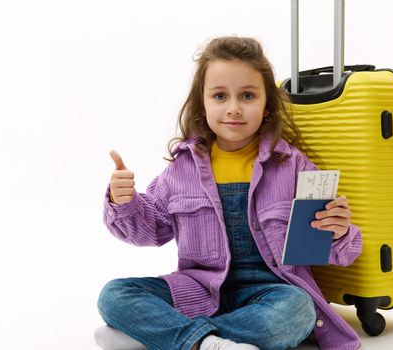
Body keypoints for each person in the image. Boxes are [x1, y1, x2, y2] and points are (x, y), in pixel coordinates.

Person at [98, 36, 362, 350]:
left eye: (248, 95)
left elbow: (336, 251)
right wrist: (124, 201)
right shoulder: (182, 169)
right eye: (220, 96)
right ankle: (206, 342)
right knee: (114, 295)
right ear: (203, 103)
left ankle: (166, 338)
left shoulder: (293, 165)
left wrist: (339, 230)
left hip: (272, 291)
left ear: (266, 106)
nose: (234, 109)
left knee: (297, 312)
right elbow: (151, 231)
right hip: (197, 289)